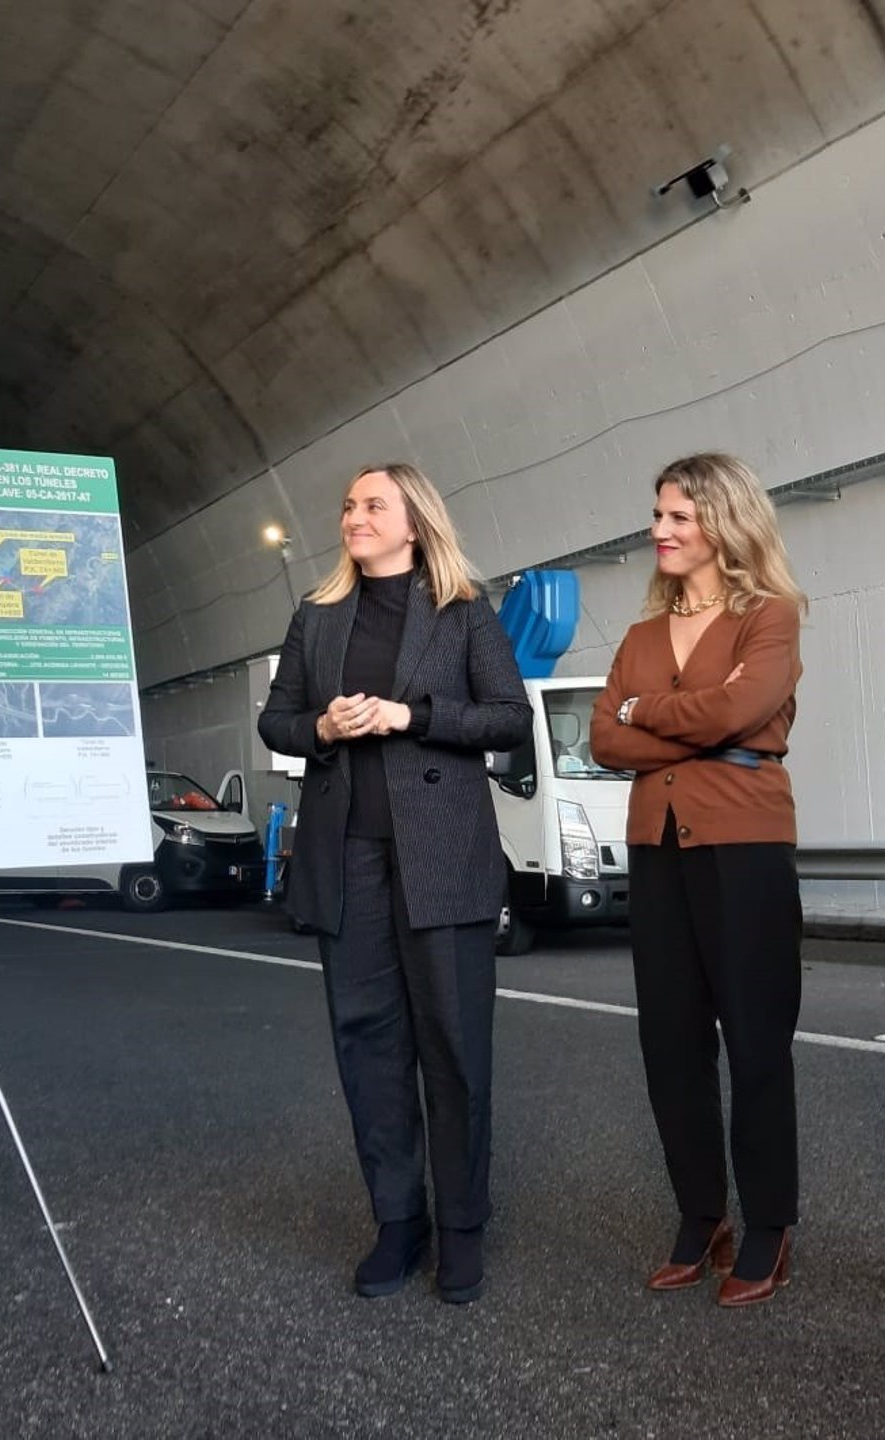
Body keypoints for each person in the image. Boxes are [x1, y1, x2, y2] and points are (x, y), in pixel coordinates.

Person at [257, 462, 530, 1304]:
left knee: (452, 1049)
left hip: (442, 858)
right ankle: (398, 1223)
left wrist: (416, 717)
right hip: (349, 861)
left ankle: (461, 1230)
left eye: (373, 505)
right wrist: (322, 727)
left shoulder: (461, 609)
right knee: (369, 1049)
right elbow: (277, 720)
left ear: (414, 521)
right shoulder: (317, 616)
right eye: (346, 505)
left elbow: (510, 718)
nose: (353, 516)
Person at [589, 453, 806, 1307]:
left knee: (756, 1041)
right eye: (659, 515)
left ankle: (769, 1226)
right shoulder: (641, 637)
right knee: (670, 1042)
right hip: (657, 844)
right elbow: (604, 741)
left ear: (725, 521)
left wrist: (651, 715)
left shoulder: (770, 618)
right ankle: (700, 1216)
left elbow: (735, 711)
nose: (662, 531)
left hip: (745, 841)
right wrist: (682, 729)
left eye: (680, 516)